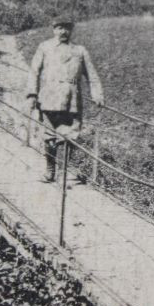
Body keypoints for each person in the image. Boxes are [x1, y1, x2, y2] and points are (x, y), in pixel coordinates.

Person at [26, 18, 104, 183]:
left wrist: (97, 94)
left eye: (67, 28)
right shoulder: (45, 47)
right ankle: (50, 169)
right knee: (49, 136)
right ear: (54, 29)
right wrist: (32, 94)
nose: (63, 32)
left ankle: (62, 172)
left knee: (69, 136)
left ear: (71, 30)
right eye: (59, 28)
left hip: (72, 101)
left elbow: (92, 75)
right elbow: (34, 71)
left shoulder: (80, 51)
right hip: (49, 98)